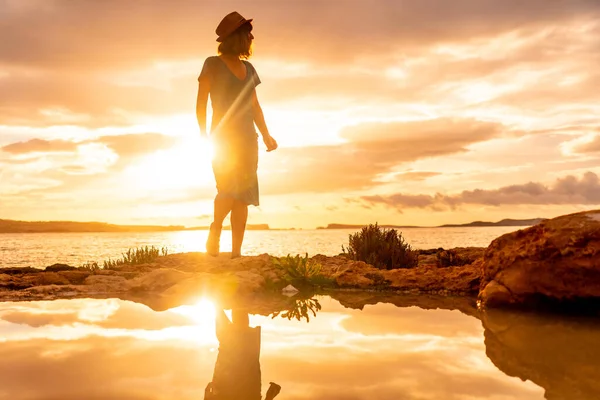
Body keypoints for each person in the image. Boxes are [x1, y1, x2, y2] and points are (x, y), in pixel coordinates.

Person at [196, 11, 278, 259]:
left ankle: (236, 253)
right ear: (237, 37)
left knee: (243, 196)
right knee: (227, 191)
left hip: (247, 140)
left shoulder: (249, 68)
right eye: (247, 33)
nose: (251, 37)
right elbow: (200, 103)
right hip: (222, 140)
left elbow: (254, 106)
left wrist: (266, 135)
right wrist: (202, 135)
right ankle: (216, 228)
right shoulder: (212, 64)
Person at [204, 309, 281, 400]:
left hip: (235, 386)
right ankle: (227, 304)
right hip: (242, 386)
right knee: (234, 341)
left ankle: (226, 304)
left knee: (235, 341)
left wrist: (270, 395)